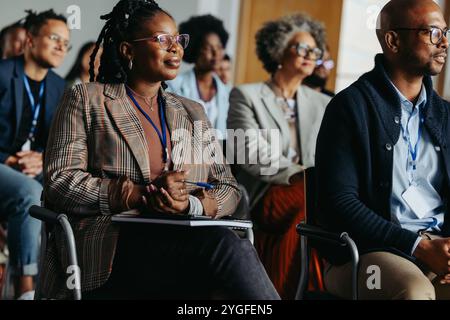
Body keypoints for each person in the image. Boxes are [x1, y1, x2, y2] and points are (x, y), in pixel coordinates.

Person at [40, 0, 280, 300]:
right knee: (224, 245)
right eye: (163, 39)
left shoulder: (192, 112)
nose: (175, 48)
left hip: (180, 238)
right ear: (128, 51)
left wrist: (190, 206)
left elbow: (228, 187)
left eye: (178, 40)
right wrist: (137, 194)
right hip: (111, 246)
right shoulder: (88, 100)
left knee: (225, 253)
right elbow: (60, 182)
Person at [315, 0, 450, 300]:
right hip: (366, 253)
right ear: (393, 40)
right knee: (413, 292)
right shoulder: (350, 107)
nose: (445, 43)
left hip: (437, 247)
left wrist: (440, 248)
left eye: (446, 32)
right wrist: (418, 246)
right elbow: (341, 202)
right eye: (433, 33)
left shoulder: (445, 115)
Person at [228, 13, 331, 299]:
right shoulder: (246, 95)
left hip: (310, 192)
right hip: (265, 193)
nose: (311, 55)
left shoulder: (324, 103)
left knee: (310, 201)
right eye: (302, 48)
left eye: (315, 50)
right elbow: (247, 151)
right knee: (309, 196)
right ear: (278, 51)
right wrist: (300, 173)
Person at [0, 9, 69, 299]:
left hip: (33, 167)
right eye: (55, 38)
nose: (61, 47)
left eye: (66, 43)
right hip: (3, 163)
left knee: (70, 188)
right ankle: (26, 288)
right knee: (30, 192)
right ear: (30, 40)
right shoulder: (3, 74)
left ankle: (66, 285)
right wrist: (6, 159)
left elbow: (58, 144)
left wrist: (41, 157)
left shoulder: (59, 86)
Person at [167, 14, 230, 139]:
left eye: (219, 47)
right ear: (195, 50)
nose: (216, 53)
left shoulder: (228, 92)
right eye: (209, 48)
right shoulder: (173, 86)